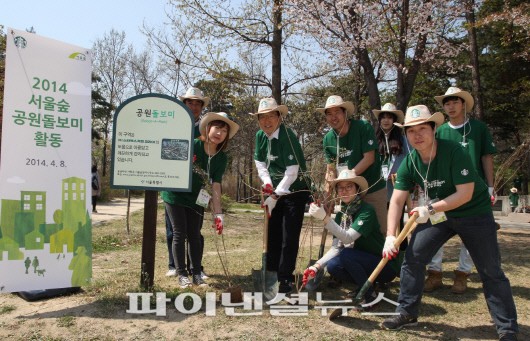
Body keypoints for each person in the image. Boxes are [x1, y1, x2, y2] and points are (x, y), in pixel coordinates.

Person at [380, 105, 518, 341]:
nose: (417, 135)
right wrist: (390, 236)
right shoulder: (410, 161)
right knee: (413, 258)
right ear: (405, 135)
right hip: (441, 215)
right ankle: (406, 312)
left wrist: (429, 208)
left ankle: (506, 328)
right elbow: (396, 201)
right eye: (411, 131)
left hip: (474, 212)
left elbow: (464, 194)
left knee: (490, 270)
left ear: (434, 129)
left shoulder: (454, 150)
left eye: (423, 128)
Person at [423, 87, 497, 294]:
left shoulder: (479, 128)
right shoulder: (440, 131)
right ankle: (434, 273)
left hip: (473, 192)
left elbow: (486, 157)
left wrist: (490, 186)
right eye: (447, 103)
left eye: (454, 102)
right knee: (434, 230)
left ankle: (462, 274)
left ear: (463, 104)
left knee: (471, 236)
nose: (450, 106)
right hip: (443, 192)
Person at [303, 170, 402, 309]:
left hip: (384, 265)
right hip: (363, 262)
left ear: (357, 189)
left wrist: (325, 218)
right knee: (333, 266)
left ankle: (369, 296)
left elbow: (348, 238)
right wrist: (317, 266)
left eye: (349, 186)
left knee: (346, 255)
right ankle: (365, 285)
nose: (345, 191)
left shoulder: (366, 211)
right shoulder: (341, 215)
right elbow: (337, 247)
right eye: (340, 188)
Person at [161, 112, 239, 288]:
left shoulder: (221, 157)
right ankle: (182, 274)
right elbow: (167, 154)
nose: (220, 133)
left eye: (224, 131)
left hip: (197, 198)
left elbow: (216, 185)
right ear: (207, 128)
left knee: (195, 235)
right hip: (175, 194)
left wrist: (218, 214)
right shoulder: (193, 145)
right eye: (217, 127)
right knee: (179, 233)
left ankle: (197, 273)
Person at [251, 97, 311, 294]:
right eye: (262, 117)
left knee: (288, 236)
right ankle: (272, 273)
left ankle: (285, 278)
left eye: (271, 116)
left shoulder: (287, 136)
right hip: (274, 190)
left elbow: (292, 172)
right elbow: (260, 163)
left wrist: (275, 195)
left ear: (279, 117)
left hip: (294, 191)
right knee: (273, 233)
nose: (267, 121)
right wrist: (268, 185)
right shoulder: (260, 136)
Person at [319, 95, 387, 235]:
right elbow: (331, 169)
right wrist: (327, 196)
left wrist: (346, 178)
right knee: (348, 232)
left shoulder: (362, 127)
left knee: (379, 230)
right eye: (329, 114)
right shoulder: (328, 139)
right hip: (348, 192)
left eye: (337, 112)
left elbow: (369, 158)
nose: (334, 117)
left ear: (345, 113)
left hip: (373, 188)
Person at [165, 87, 211, 278]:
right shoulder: (173, 125)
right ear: (183, 104)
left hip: (198, 188)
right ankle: (174, 265)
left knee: (195, 230)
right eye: (190, 102)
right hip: (174, 186)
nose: (193, 106)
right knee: (175, 230)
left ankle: (196, 268)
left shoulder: (205, 129)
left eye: (197, 103)